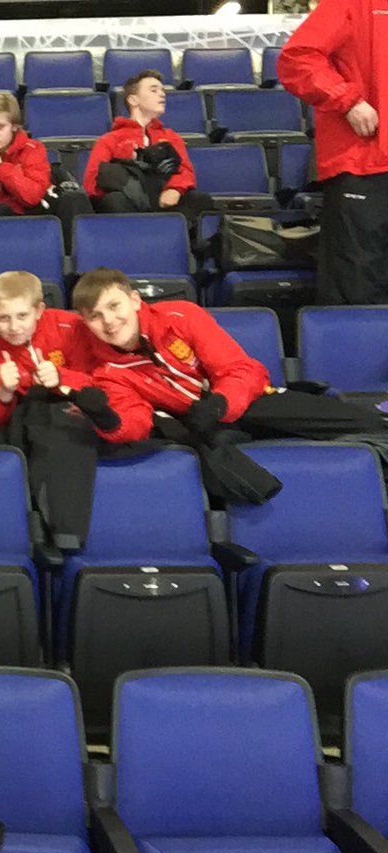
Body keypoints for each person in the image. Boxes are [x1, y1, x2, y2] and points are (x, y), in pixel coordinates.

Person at [72, 267, 383, 499]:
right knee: (208, 445)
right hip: (202, 425)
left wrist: (220, 402)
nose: (109, 322)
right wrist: (107, 419)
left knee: (352, 422)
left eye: (114, 307)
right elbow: (135, 420)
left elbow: (241, 370)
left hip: (244, 402)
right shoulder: (106, 370)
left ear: (135, 300)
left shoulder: (182, 316)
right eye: (95, 316)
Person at [0, 271, 112, 547]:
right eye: (3, 319)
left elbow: (102, 379)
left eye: (22, 316)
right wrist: (4, 391)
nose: (13, 327)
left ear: (39, 311)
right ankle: (42, 527)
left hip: (76, 411)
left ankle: (55, 529)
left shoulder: (71, 327)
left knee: (54, 418)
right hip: (30, 424)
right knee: (33, 413)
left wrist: (62, 378)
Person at [279, 0, 388, 305]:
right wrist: (347, 100)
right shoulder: (353, 3)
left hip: (367, 163)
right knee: (357, 283)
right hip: (364, 162)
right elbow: (297, 58)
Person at [83, 69, 214, 222]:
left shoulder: (171, 137)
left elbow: (185, 171)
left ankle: (174, 241)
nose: (162, 94)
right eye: (154, 90)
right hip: (128, 200)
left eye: (162, 90)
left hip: (165, 199)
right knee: (113, 201)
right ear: (134, 100)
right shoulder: (109, 140)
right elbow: (92, 183)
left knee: (200, 199)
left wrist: (175, 189)